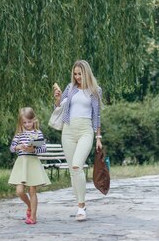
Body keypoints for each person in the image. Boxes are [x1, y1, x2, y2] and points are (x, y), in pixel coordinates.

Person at [53, 60, 102, 221]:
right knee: (73, 171)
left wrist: (98, 137)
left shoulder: (95, 91)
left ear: (86, 73)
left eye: (80, 74)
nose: (77, 77)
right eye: (75, 74)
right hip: (68, 131)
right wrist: (58, 98)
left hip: (85, 131)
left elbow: (97, 115)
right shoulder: (70, 88)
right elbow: (59, 107)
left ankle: (81, 207)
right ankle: (80, 203)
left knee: (77, 165)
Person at [8, 107, 51, 225]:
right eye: (24, 122)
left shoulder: (38, 133)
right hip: (22, 163)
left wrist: (33, 149)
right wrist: (18, 147)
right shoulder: (19, 134)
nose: (27, 124)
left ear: (34, 120)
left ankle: (33, 216)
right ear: (21, 122)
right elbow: (11, 148)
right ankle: (29, 206)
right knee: (19, 191)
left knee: (32, 190)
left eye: (29, 122)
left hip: (32, 162)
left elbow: (43, 148)